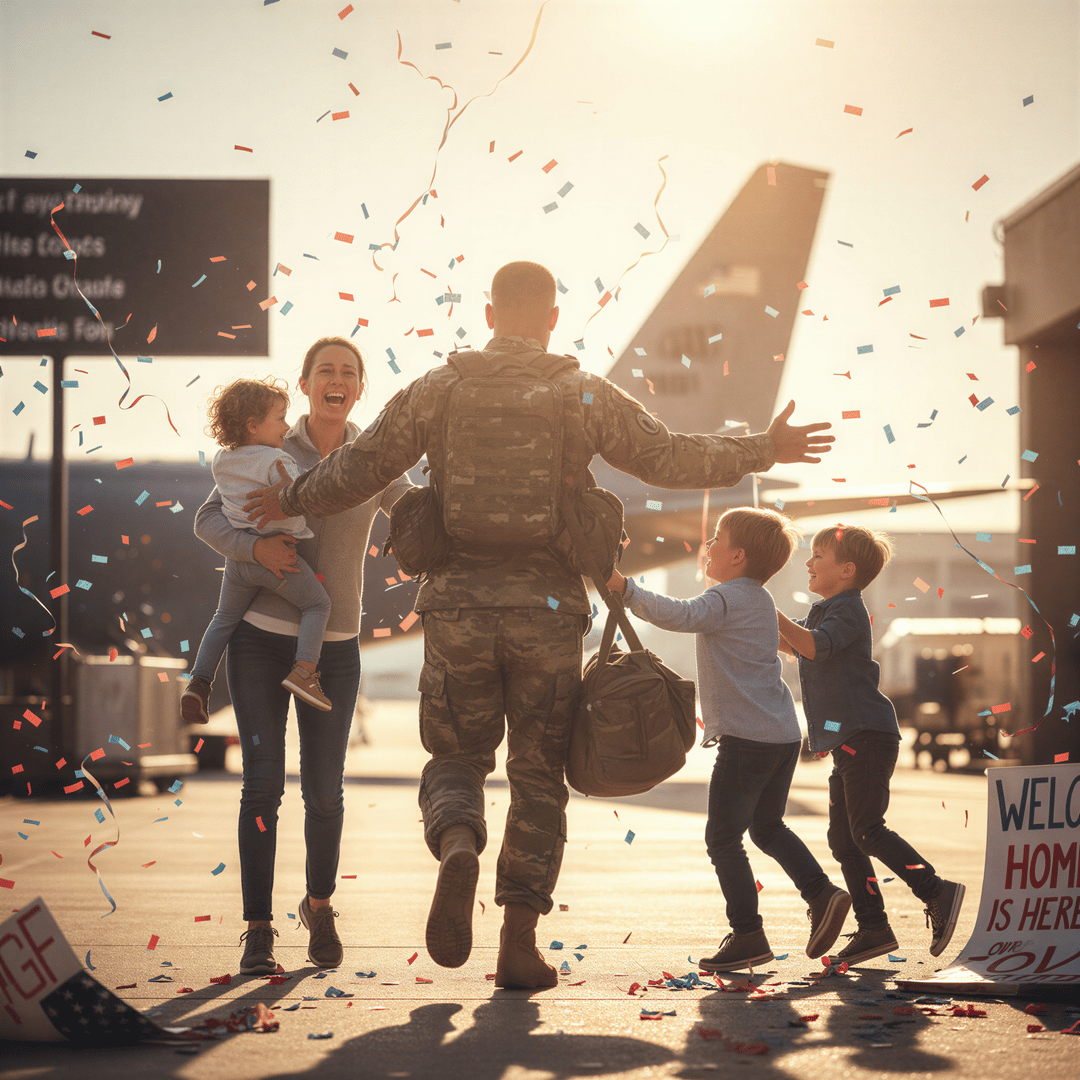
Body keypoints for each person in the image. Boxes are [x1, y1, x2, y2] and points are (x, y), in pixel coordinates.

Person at [244, 260, 835, 989]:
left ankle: (458, 838)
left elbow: (360, 469)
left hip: (456, 605)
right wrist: (762, 449)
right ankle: (517, 942)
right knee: (538, 776)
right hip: (550, 612)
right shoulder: (580, 391)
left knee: (456, 758)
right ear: (553, 319)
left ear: (489, 316)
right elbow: (666, 458)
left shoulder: (438, 387)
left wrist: (288, 497)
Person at [192, 337, 411, 976]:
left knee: (324, 793)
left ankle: (319, 905)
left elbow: (418, 513)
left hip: (335, 647)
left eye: (347, 371)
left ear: (359, 388)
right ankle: (257, 929)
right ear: (308, 383)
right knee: (261, 787)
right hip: (261, 639)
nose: (335, 380)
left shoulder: (375, 459)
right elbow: (208, 520)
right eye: (324, 371)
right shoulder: (270, 448)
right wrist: (253, 550)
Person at [607, 508, 851, 971]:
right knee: (767, 827)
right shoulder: (759, 600)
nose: (708, 546)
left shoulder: (725, 598)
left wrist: (627, 589)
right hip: (780, 736)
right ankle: (822, 894)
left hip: (747, 740)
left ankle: (748, 936)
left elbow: (679, 615)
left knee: (723, 840)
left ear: (737, 556)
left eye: (716, 539)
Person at [777, 524, 966, 966]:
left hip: (867, 735)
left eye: (817, 556)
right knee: (844, 841)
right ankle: (874, 928)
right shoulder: (826, 609)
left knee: (866, 830)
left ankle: (936, 890)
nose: (808, 563)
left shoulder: (847, 611)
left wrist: (766, 608)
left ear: (846, 570)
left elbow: (809, 646)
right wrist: (740, 607)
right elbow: (789, 645)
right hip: (849, 741)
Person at [181, 376, 334, 724]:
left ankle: (199, 682)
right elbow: (295, 510)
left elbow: (216, 509)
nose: (286, 426)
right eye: (280, 418)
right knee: (317, 603)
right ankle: (304, 672)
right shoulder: (280, 462)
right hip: (279, 556)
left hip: (239, 560)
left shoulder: (222, 460)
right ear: (253, 425)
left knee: (223, 619)